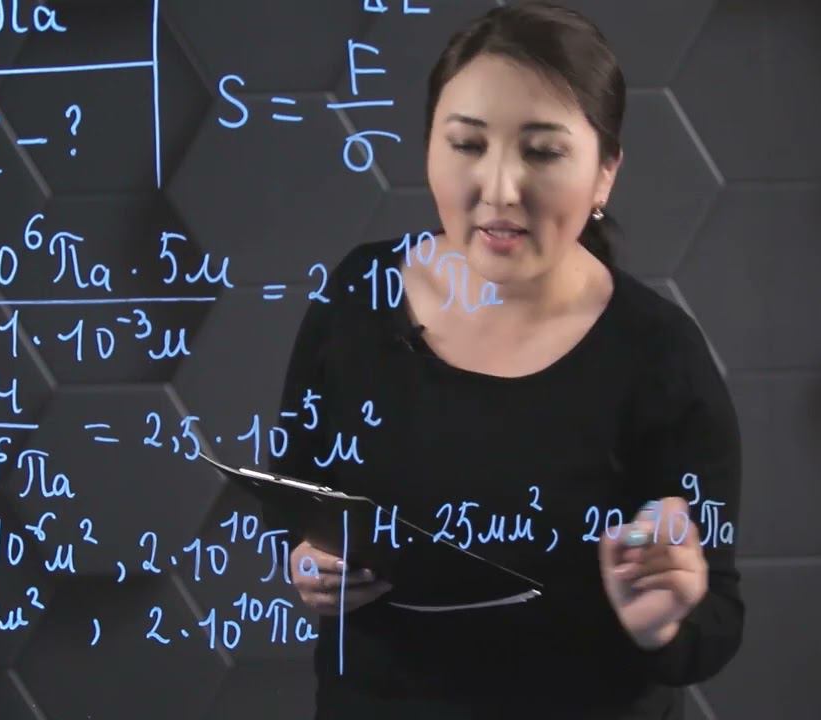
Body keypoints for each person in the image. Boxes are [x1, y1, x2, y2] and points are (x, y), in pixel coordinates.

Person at [265, 2, 744, 718]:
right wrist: (305, 558)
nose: (498, 188)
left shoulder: (660, 356)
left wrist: (664, 624)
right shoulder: (359, 293)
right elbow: (293, 489)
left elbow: (718, 618)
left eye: (542, 152)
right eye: (467, 143)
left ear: (605, 173)